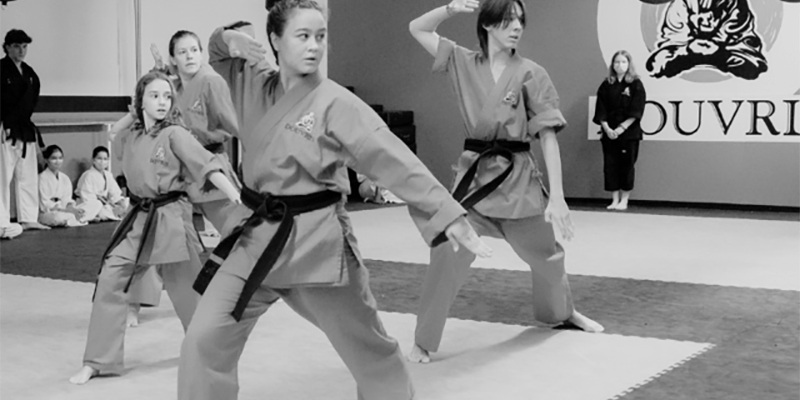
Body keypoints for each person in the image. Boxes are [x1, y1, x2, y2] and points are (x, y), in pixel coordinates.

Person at [177, 2, 492, 399]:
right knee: (204, 338)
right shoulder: (251, 81)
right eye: (303, 36)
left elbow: (393, 159)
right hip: (255, 238)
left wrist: (447, 213)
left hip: (316, 244)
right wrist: (229, 37)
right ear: (275, 39)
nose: (314, 46)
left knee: (370, 351)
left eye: (320, 37)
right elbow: (216, 49)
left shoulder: (336, 103)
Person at [406, 0, 604, 364]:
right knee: (447, 252)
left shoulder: (532, 73)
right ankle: (424, 339)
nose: (517, 27)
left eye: (520, 20)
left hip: (518, 183)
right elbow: (417, 28)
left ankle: (562, 313)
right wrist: (450, 8)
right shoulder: (462, 62)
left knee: (548, 257)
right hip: (475, 183)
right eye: (508, 20)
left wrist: (558, 198)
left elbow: (547, 136)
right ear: (488, 24)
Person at [69, 70, 242, 385]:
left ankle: (209, 349)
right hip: (136, 217)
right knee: (110, 279)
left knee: (186, 289)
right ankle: (98, 360)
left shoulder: (176, 134)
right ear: (140, 101)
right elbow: (113, 133)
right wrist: (133, 113)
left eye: (167, 96)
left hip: (170, 217)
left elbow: (207, 165)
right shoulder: (133, 134)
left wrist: (234, 195)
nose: (162, 102)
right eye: (154, 96)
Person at [150, 31, 242, 238]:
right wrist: (158, 69)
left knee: (236, 230)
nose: (190, 56)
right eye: (182, 52)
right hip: (179, 170)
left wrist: (256, 148)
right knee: (174, 237)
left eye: (194, 50)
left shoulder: (211, 81)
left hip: (209, 163)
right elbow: (148, 98)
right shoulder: (173, 87)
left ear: (201, 54)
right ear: (173, 59)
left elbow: (233, 123)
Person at [0, 28, 50, 233]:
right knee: (2, 176)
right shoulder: (1, 69)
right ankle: (1, 220)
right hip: (5, 127)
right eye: (16, 46)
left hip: (25, 127)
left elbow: (33, 99)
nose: (21, 51)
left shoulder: (29, 73)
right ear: (6, 47)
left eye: (24, 46)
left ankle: (28, 217)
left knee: (27, 174)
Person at [593, 50, 646, 211]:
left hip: (629, 134)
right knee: (610, 166)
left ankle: (624, 199)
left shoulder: (636, 84)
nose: (620, 65)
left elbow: (637, 109)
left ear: (629, 64)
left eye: (623, 62)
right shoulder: (606, 85)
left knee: (627, 166)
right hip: (609, 133)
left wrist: (622, 128)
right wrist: (607, 128)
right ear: (612, 65)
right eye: (616, 62)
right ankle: (614, 199)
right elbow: (601, 109)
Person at [74, 146, 130, 222]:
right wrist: (108, 204)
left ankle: (116, 213)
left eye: (105, 159)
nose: (102, 161)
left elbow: (115, 194)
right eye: (99, 158)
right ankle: (94, 216)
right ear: (93, 160)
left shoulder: (108, 175)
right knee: (98, 206)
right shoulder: (88, 175)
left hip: (105, 204)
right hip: (90, 205)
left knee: (127, 202)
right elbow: (87, 198)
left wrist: (121, 205)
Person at [37, 145, 87, 227]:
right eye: (54, 158)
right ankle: (75, 218)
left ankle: (76, 217)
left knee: (91, 207)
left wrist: (72, 209)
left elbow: (67, 199)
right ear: (46, 160)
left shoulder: (65, 178)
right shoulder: (41, 178)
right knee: (58, 217)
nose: (57, 161)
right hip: (49, 212)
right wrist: (66, 210)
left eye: (60, 158)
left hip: (65, 210)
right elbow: (44, 204)